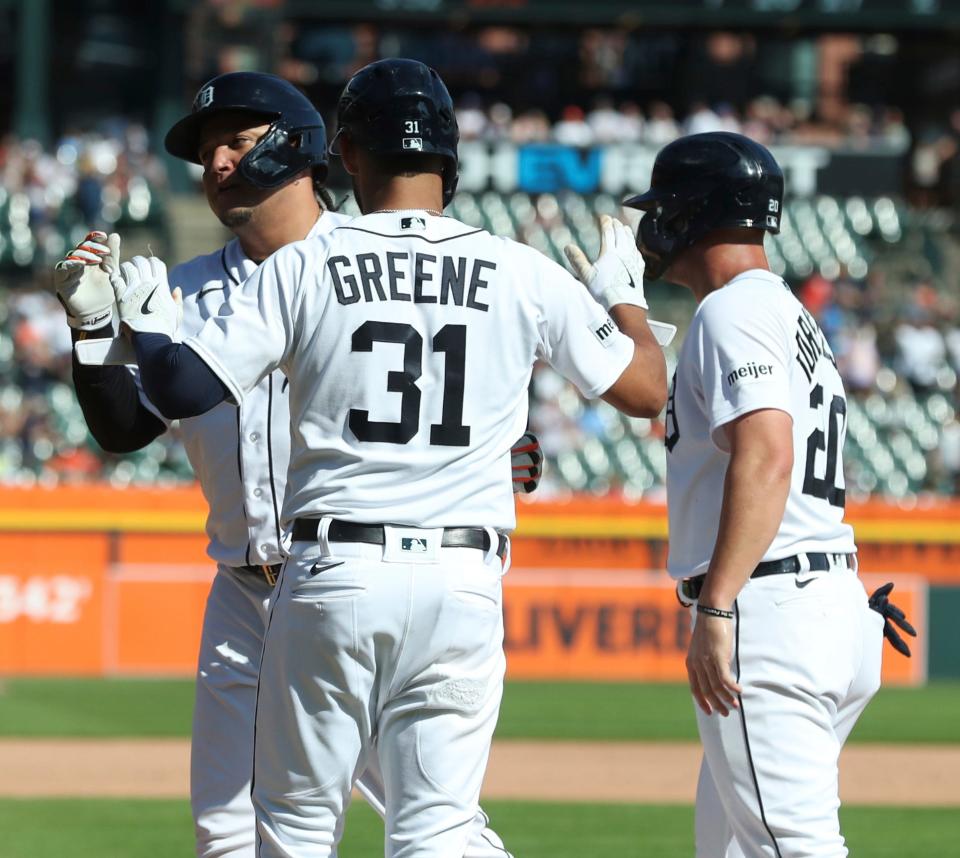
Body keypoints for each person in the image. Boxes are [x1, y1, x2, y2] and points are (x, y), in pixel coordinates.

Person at [108, 58, 671, 857]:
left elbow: (184, 385)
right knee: (437, 828)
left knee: (297, 826)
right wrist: (625, 300)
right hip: (463, 578)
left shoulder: (309, 259)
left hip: (335, 569)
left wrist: (152, 327)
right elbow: (649, 389)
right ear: (449, 159)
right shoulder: (520, 268)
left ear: (346, 156)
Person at [55, 71, 539, 858]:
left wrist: (510, 442)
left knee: (437, 831)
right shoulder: (182, 291)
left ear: (301, 151)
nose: (215, 163)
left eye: (237, 142)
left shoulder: (380, 259)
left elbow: (481, 388)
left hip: (366, 574)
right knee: (232, 834)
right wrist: (93, 333)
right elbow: (124, 429)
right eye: (206, 151)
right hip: (249, 592)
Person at [622, 131, 915, 857]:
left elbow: (767, 453)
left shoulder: (733, 310)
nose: (654, 225)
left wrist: (718, 603)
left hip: (771, 609)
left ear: (694, 213)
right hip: (820, 597)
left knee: (792, 850)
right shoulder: (783, 310)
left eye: (666, 208)